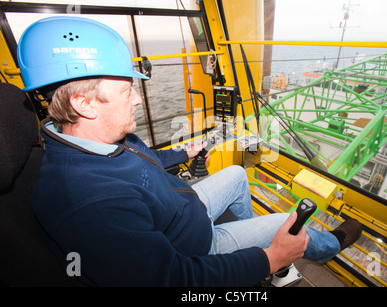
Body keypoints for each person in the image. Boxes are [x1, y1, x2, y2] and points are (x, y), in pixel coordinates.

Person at [18, 16, 362, 286]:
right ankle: (327, 248)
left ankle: (253, 243)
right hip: (198, 246)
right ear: (84, 103)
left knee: (237, 173)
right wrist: (270, 258)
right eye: (126, 91)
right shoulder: (88, 201)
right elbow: (173, 279)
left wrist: (185, 152)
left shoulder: (97, 141)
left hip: (185, 207)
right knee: (291, 230)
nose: (137, 99)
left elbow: (144, 160)